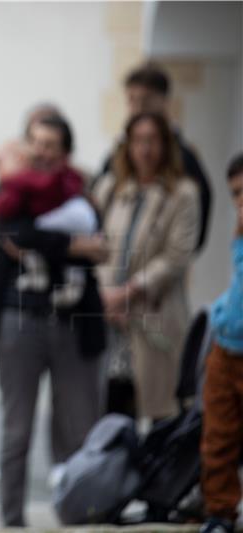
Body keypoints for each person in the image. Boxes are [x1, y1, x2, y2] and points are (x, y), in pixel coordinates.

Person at [0, 113, 106, 527]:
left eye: (53, 144)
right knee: (17, 429)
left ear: (65, 151)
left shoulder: (81, 187)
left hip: (75, 318)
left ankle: (79, 514)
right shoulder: (11, 188)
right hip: (18, 318)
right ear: (26, 145)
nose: (44, 152)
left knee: (78, 427)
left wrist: (50, 243)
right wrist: (71, 245)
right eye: (37, 142)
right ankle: (12, 519)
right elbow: (10, 239)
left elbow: (100, 244)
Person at [94, 111, 200, 421]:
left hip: (153, 313)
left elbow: (175, 257)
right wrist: (104, 295)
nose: (145, 149)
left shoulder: (183, 194)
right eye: (138, 140)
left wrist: (127, 293)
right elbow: (92, 244)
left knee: (159, 413)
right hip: (108, 317)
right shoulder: (110, 188)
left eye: (153, 140)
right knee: (108, 413)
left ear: (166, 145)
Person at [96, 62, 211, 252]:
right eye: (132, 100)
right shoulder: (117, 154)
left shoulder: (183, 158)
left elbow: (199, 212)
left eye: (146, 100)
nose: (139, 108)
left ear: (164, 101)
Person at [199, 153, 243, 533]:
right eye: (236, 194)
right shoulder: (239, 235)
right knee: (218, 436)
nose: (241, 201)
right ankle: (219, 512)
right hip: (227, 347)